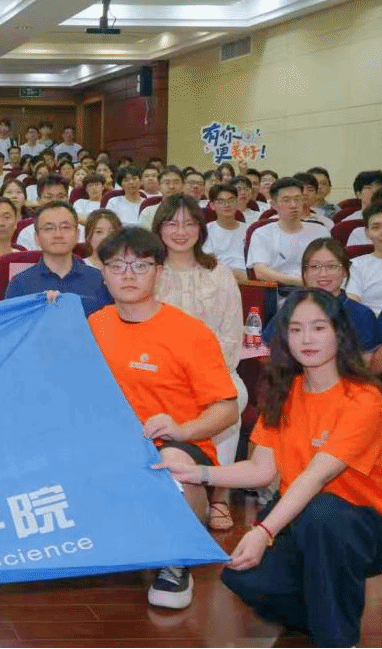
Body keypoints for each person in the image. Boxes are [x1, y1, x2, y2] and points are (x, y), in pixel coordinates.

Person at [159, 289, 382, 648]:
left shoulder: (364, 397)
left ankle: (338, 637)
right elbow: (260, 470)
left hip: (364, 524)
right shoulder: (285, 391)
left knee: (323, 513)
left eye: (319, 328)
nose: (307, 339)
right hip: (301, 515)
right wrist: (199, 474)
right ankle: (327, 602)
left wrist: (263, 531)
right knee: (244, 579)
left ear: (339, 334)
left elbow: (316, 476)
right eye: (296, 329)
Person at [87, 226, 239, 610]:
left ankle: (175, 560)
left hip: (176, 447)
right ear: (103, 274)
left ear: (159, 272)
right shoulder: (95, 324)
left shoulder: (190, 333)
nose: (128, 275)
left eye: (140, 265)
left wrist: (182, 429)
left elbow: (227, 409)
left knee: (169, 463)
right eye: (117, 265)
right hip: (114, 448)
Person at [152, 194, 247, 531]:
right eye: (172, 223)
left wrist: (201, 376)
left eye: (189, 224)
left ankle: (220, 494)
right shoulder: (150, 270)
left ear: (201, 229)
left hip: (213, 371)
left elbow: (231, 335)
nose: (181, 231)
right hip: (159, 373)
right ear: (159, 228)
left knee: (233, 396)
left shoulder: (219, 273)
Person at [261, 238, 382, 357]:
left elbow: (366, 363)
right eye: (314, 267)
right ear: (305, 273)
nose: (323, 274)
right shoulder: (292, 307)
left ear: (345, 271)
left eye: (332, 266)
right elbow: (265, 349)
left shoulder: (361, 314)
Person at [6, 200, 110, 314]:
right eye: (49, 228)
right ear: (37, 238)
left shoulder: (101, 281)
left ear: (77, 235)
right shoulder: (20, 284)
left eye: (65, 227)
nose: (58, 235)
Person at [345, 201, 382, 315]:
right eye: (376, 227)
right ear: (367, 233)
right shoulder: (356, 267)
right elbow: (352, 309)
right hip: (375, 324)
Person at [204, 183, 247, 282]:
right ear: (212, 205)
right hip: (218, 278)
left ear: (237, 202)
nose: (226, 205)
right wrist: (232, 274)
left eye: (231, 200)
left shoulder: (249, 230)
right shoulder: (206, 231)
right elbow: (208, 262)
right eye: (221, 201)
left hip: (248, 279)